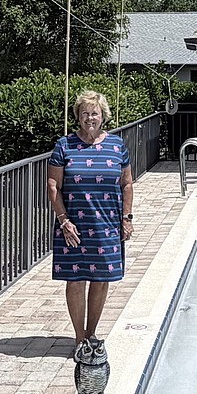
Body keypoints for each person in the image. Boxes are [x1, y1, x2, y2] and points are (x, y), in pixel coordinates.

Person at [46, 90, 134, 348]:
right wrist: (63, 220)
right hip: (73, 225)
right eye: (84, 113)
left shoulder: (117, 145)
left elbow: (127, 184)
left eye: (94, 113)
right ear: (78, 116)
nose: (90, 118)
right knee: (75, 280)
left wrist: (126, 218)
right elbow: (53, 186)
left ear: (103, 116)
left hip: (106, 225)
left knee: (101, 278)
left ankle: (91, 333)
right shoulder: (64, 146)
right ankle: (79, 336)